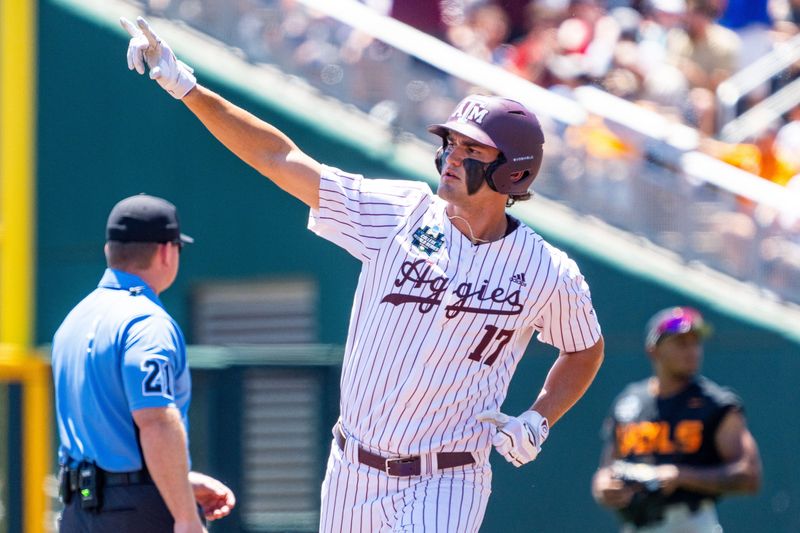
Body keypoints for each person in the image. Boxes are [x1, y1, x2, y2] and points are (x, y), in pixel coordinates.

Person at [121, 17, 605, 532]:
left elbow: (585, 346)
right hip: (353, 468)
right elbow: (280, 157)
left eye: (472, 150)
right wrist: (187, 88)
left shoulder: (544, 269)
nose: (450, 157)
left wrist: (539, 416)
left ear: (515, 172)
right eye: (451, 144)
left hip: (448, 476)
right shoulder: (398, 212)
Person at [52, 194, 236, 532]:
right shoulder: (146, 323)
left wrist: (179, 481)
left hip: (77, 510)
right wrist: (184, 515)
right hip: (135, 514)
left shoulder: (73, 321)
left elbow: (108, 434)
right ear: (167, 251)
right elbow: (155, 421)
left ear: (110, 251)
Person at [591, 306, 762, 532]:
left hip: (689, 523)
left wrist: (681, 476)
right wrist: (602, 486)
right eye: (681, 342)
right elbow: (606, 468)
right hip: (635, 525)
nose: (692, 350)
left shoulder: (714, 403)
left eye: (696, 342)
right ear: (654, 349)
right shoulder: (629, 402)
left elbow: (749, 475)